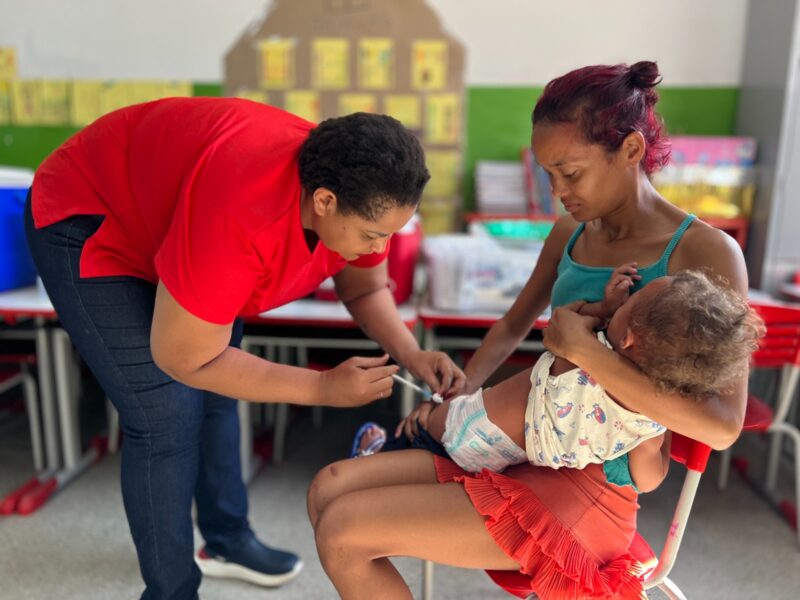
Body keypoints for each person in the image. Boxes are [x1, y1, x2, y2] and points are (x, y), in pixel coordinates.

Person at [307, 61, 753, 600]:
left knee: (344, 530)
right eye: (547, 174)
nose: (555, 191)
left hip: (590, 486)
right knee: (328, 489)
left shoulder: (704, 251)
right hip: (523, 443)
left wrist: (583, 351)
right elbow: (514, 324)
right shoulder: (572, 228)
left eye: (570, 172)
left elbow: (723, 427)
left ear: (631, 151)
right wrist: (457, 390)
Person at [25, 98, 464, 600]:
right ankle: (172, 592)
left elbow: (364, 289)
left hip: (173, 218)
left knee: (217, 394)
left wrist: (411, 353)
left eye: (388, 235)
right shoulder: (241, 215)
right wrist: (321, 387)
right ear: (323, 202)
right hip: (92, 214)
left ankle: (226, 540)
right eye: (371, 235)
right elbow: (185, 357)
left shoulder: (367, 195)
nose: (377, 247)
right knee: (165, 414)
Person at [351, 267, 762, 479]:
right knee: (426, 448)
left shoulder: (587, 353)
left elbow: (564, 325)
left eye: (629, 304)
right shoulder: (650, 419)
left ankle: (375, 450)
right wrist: (661, 433)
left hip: (465, 426)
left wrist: (602, 309)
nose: (623, 301)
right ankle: (388, 451)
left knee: (422, 429)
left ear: (630, 339)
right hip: (503, 466)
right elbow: (649, 478)